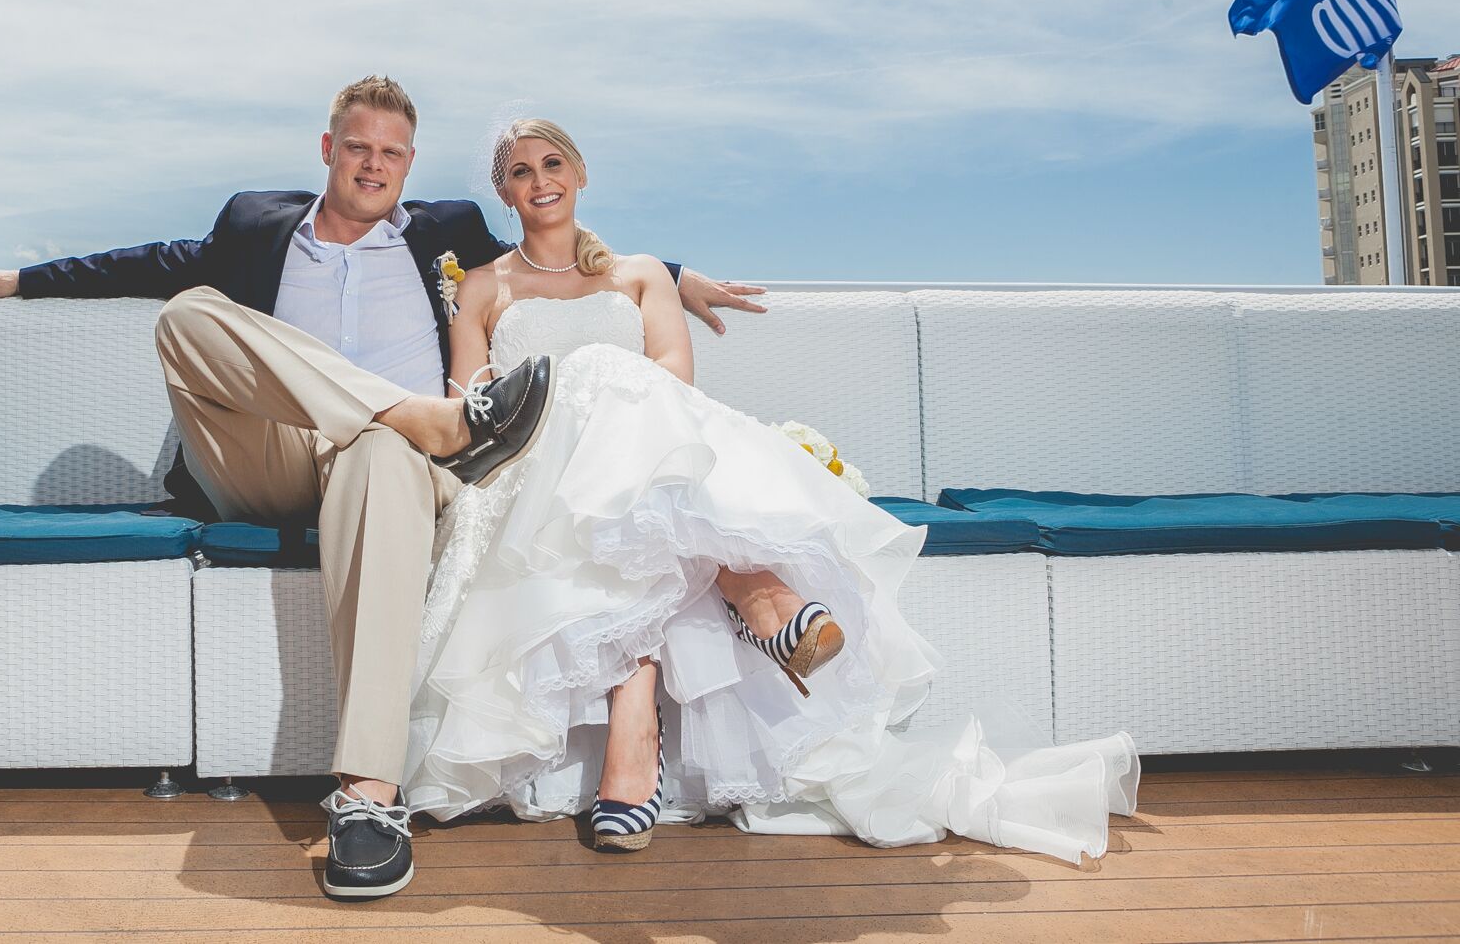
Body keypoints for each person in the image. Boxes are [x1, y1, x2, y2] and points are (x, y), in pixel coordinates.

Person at [0, 76, 765, 900]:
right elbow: (154, 262)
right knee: (186, 312)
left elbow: (553, 241)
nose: (374, 164)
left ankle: (367, 797)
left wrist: (676, 275)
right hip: (267, 456)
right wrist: (20, 278)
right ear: (328, 149)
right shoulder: (253, 223)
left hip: (384, 468)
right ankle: (424, 416)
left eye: (391, 152)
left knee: (378, 450)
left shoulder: (446, 232)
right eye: (359, 146)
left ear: (409, 163)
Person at [402, 117, 1140, 864]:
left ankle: (640, 728)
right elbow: (469, 400)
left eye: (551, 162)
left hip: (640, 455)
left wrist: (598, 405)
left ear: (581, 172)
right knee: (602, 388)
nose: (539, 180)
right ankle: (757, 595)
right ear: (503, 191)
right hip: (535, 465)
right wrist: (560, 397)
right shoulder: (485, 287)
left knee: (628, 427)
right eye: (520, 172)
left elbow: (671, 377)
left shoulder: (639, 274)